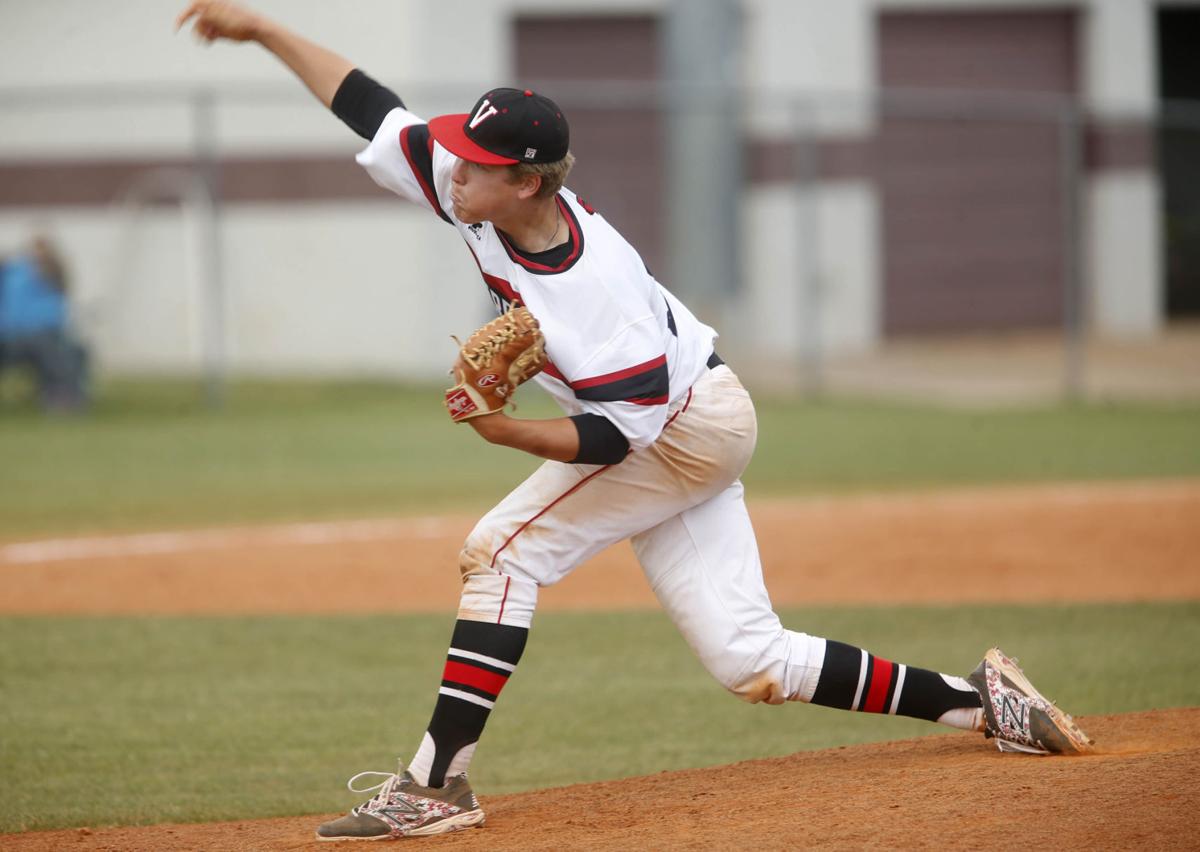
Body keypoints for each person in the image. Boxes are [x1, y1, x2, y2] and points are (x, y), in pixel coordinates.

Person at [176, 3, 1094, 841]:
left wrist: (504, 432)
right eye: (458, 150)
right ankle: (981, 704)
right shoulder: (469, 190)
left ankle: (436, 785)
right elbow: (371, 105)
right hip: (676, 423)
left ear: (530, 183)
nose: (453, 166)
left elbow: (620, 440)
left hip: (685, 428)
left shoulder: (596, 293)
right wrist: (262, 31)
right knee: (749, 659)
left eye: (479, 162)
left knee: (503, 551)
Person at [0, 234, 89, 412]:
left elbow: (59, 277)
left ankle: (63, 398)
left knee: (67, 353)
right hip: (10, 337)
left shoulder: (50, 272)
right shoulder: (13, 272)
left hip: (45, 334)